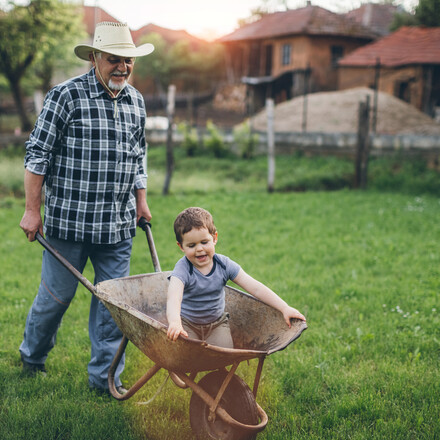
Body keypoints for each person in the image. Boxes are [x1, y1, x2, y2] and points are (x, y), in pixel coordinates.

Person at [18, 22, 154, 394]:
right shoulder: (66, 96)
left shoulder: (136, 100)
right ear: (94, 58)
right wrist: (32, 210)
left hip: (117, 227)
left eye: (128, 61)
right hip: (69, 224)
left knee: (114, 308)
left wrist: (141, 201)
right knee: (54, 300)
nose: (123, 68)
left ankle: (103, 379)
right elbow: (37, 153)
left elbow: (137, 154)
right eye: (114, 60)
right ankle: (32, 356)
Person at [166, 207, 306, 347]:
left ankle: (220, 368)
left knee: (224, 354)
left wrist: (284, 308)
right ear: (181, 247)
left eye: (204, 242)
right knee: (186, 352)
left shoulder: (223, 265)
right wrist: (175, 322)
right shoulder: (183, 268)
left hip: (217, 324)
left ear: (214, 238)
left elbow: (255, 288)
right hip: (187, 324)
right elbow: (174, 297)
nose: (199, 249)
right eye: (191, 245)